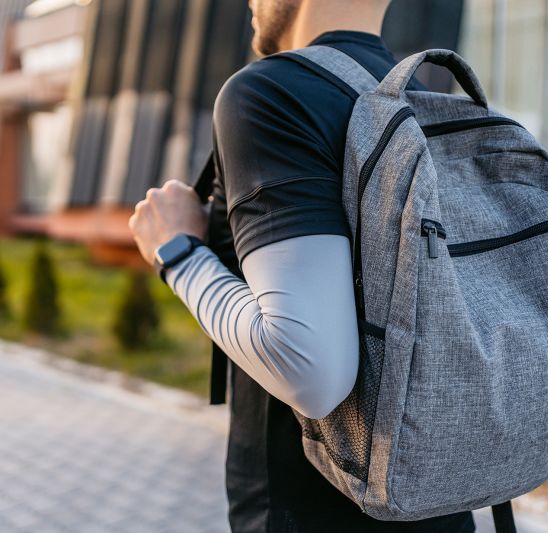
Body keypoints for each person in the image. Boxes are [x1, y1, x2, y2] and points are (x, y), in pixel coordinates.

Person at [128, 1, 476, 531]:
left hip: (314, 509)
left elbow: (312, 372)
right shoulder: (426, 104)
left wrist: (177, 254)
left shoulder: (273, 92)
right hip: (442, 503)